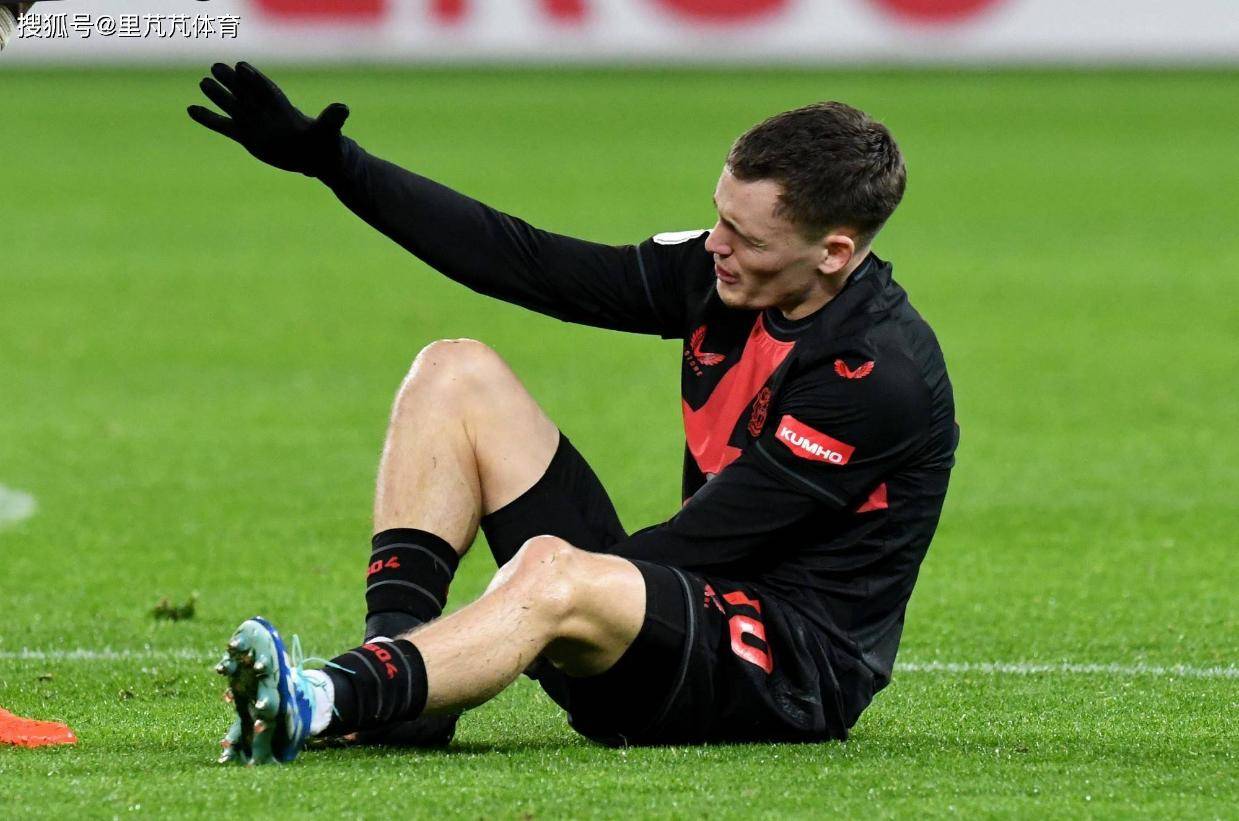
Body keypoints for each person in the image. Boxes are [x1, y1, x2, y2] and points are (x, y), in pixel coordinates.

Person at [189, 62, 957, 765]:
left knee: (551, 572)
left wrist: (527, 606)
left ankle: (324, 697)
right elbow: (527, 262)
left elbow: (705, 543)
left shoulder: (873, 375)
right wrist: (337, 165)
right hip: (674, 607)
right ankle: (402, 691)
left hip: (781, 670)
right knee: (454, 373)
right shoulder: (720, 273)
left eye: (746, 237)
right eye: (719, 216)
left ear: (832, 252)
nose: (716, 245)